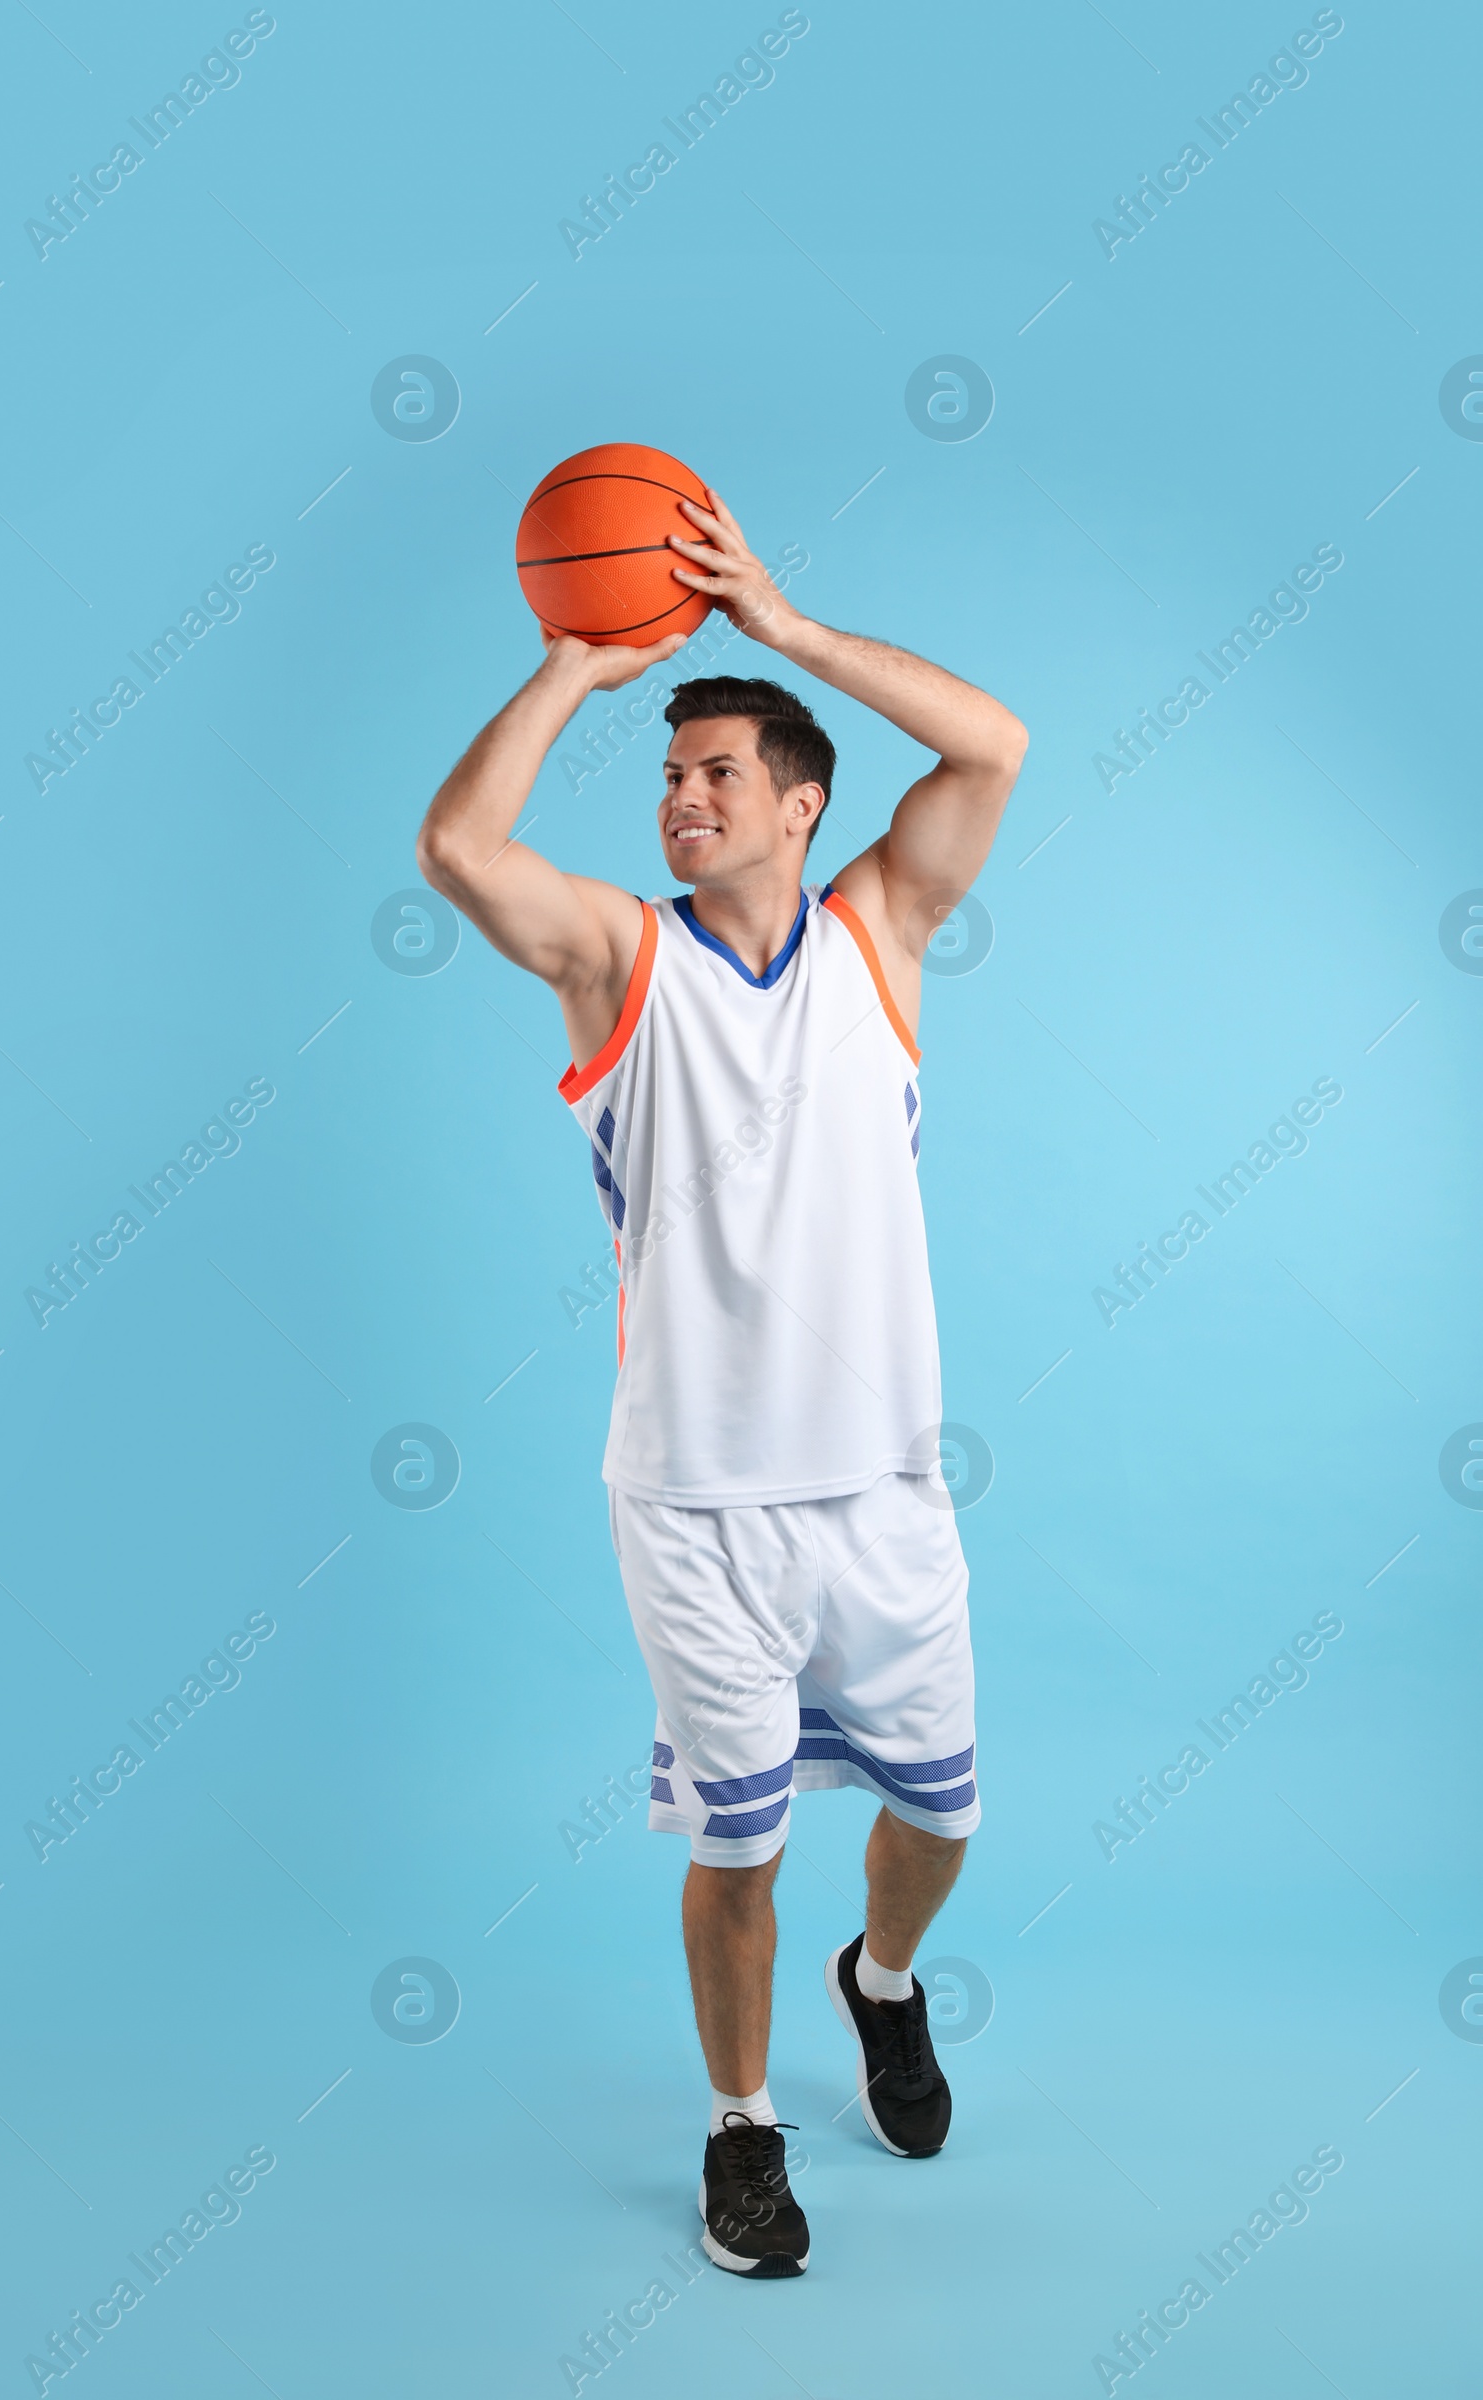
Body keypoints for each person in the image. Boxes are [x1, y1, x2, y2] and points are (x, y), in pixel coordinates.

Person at [417, 490, 1027, 2277]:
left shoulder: (880, 938)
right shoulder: (622, 957)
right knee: (740, 1845)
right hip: (691, 1501)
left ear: (803, 800)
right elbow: (459, 846)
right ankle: (743, 2133)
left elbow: (992, 745)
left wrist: (780, 625)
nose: (681, 796)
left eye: (717, 773)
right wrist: (571, 666)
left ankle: (887, 1980)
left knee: (943, 1813)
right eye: (667, 776)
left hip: (883, 1487)